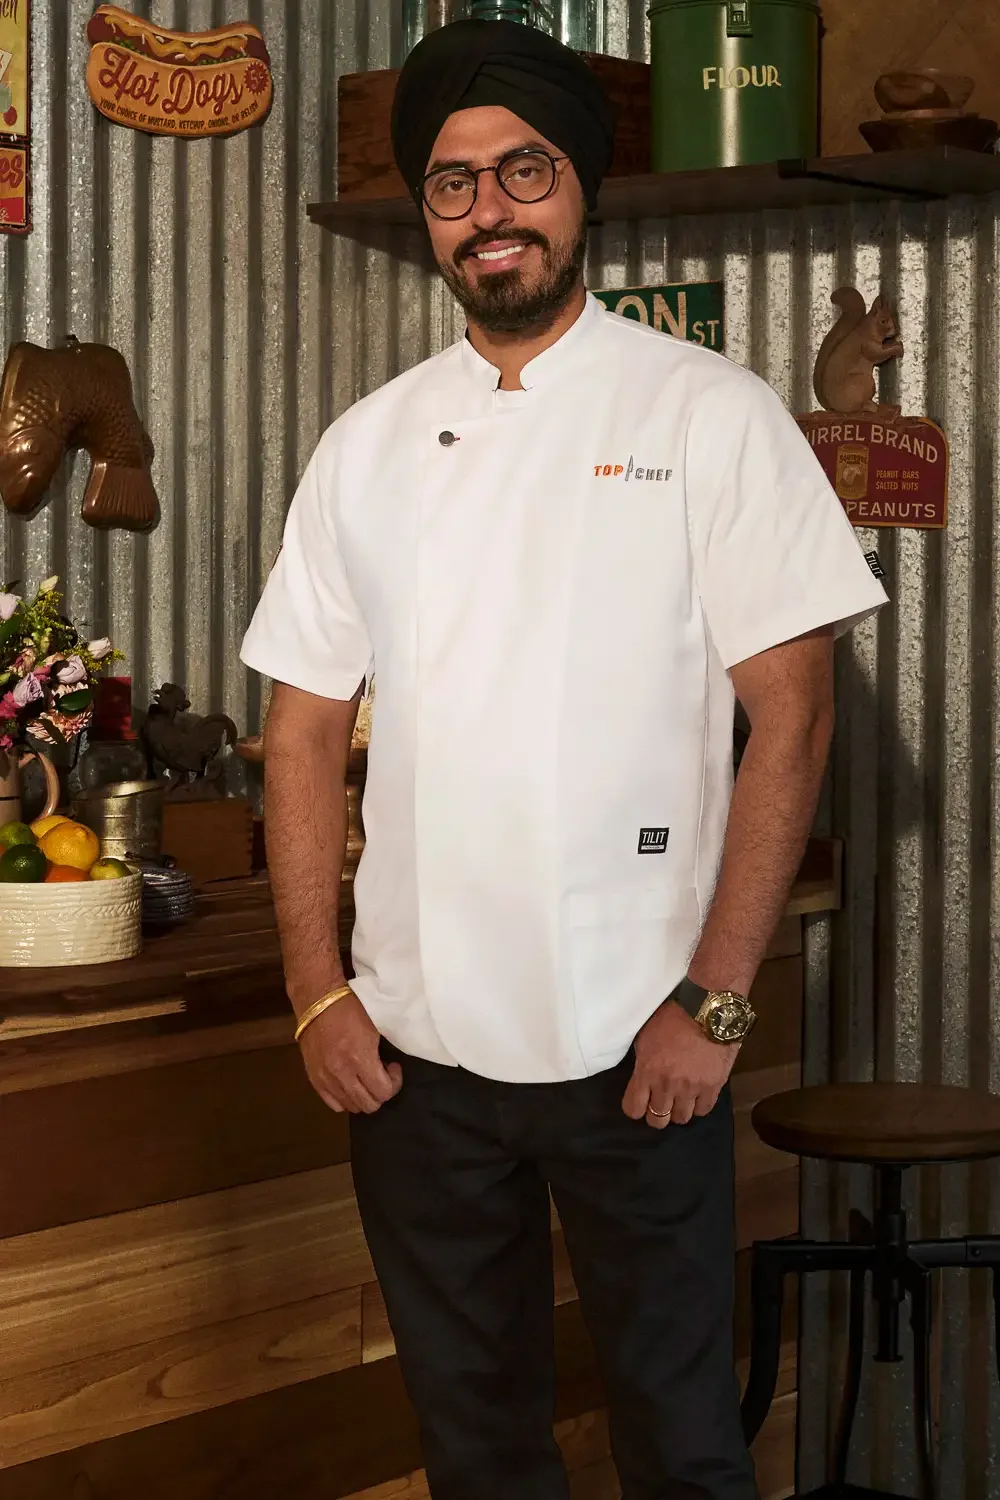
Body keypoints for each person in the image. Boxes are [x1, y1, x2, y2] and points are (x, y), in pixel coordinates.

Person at [241, 19, 887, 1499]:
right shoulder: (363, 448)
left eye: (523, 170)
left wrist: (714, 1004)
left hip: (638, 1043)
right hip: (413, 1059)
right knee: (476, 1453)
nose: (490, 210)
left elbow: (794, 720)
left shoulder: (709, 414)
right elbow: (302, 727)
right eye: (453, 182)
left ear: (581, 188)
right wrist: (313, 988)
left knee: (683, 1446)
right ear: (427, 213)